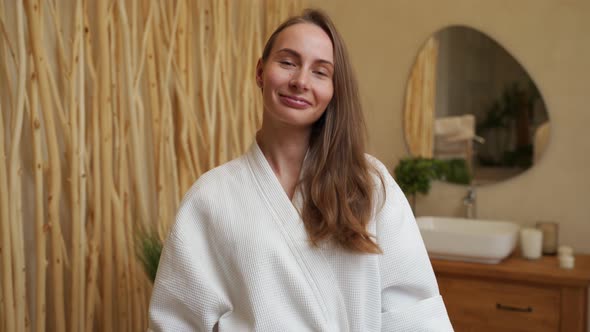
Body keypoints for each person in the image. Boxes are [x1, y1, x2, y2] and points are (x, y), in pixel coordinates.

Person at [148, 8, 453, 332]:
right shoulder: (211, 198)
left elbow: (415, 315)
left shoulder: (369, 184)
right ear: (261, 72)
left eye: (320, 72)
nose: (300, 81)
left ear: (334, 90)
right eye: (288, 62)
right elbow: (176, 322)